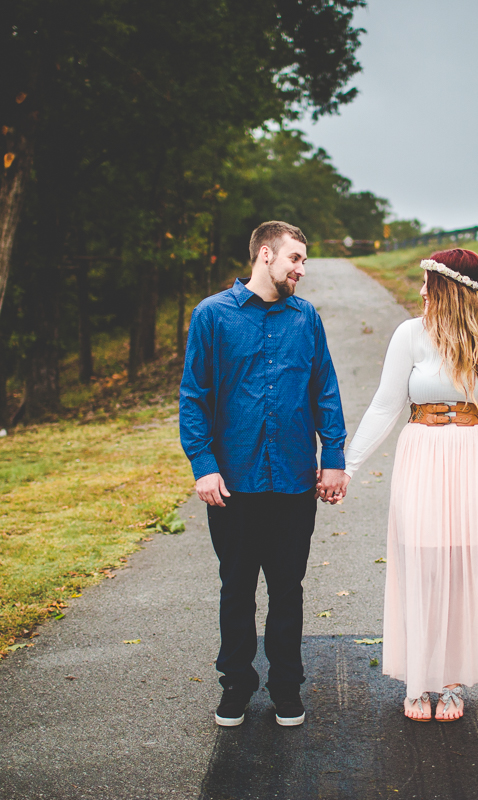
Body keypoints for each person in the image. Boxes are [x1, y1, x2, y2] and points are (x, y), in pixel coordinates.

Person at [343, 248, 478, 722]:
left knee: (462, 569)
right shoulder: (410, 335)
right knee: (423, 563)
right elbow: (384, 406)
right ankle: (419, 678)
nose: (421, 292)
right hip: (423, 458)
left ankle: (452, 680)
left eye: (429, 284)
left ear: (452, 290)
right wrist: (347, 467)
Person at [179, 220, 351, 729]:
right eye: (295, 258)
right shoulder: (212, 315)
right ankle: (236, 685)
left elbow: (325, 390)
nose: (302, 269)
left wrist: (333, 458)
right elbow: (194, 397)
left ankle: (286, 687)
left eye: (304, 261)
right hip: (233, 484)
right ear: (266, 255)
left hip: (294, 481)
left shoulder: (306, 318)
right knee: (236, 588)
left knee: (287, 589)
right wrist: (203, 466)